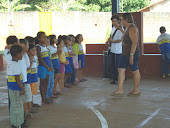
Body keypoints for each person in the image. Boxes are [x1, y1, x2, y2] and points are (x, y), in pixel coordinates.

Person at [112, 13, 141, 96]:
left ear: (127, 20)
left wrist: (131, 55)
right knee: (120, 69)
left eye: (122, 20)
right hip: (124, 53)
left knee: (135, 71)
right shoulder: (127, 28)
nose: (121, 22)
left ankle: (136, 90)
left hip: (132, 53)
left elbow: (134, 42)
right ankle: (120, 89)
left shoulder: (132, 28)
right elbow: (125, 37)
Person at [7, 45, 27, 128]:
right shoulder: (15, 65)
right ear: (18, 54)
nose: (22, 55)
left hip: (13, 88)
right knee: (17, 106)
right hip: (16, 89)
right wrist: (22, 88)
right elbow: (17, 78)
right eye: (22, 53)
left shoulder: (11, 63)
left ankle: (18, 121)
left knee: (15, 105)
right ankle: (17, 124)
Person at [106, 14, 124, 84]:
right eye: (112, 21)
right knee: (113, 65)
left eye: (115, 21)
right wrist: (108, 41)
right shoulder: (113, 28)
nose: (113, 23)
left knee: (117, 66)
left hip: (118, 51)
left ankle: (117, 79)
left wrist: (112, 41)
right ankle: (115, 78)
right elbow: (111, 36)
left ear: (119, 21)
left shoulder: (121, 29)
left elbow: (120, 40)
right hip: (113, 50)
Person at [36, 31, 52, 105]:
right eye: (43, 37)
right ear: (39, 38)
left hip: (48, 66)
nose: (45, 38)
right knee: (42, 82)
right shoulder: (38, 47)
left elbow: (48, 57)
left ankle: (45, 97)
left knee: (46, 82)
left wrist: (50, 66)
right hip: (43, 67)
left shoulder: (45, 46)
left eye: (45, 37)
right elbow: (40, 58)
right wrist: (47, 66)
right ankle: (43, 98)